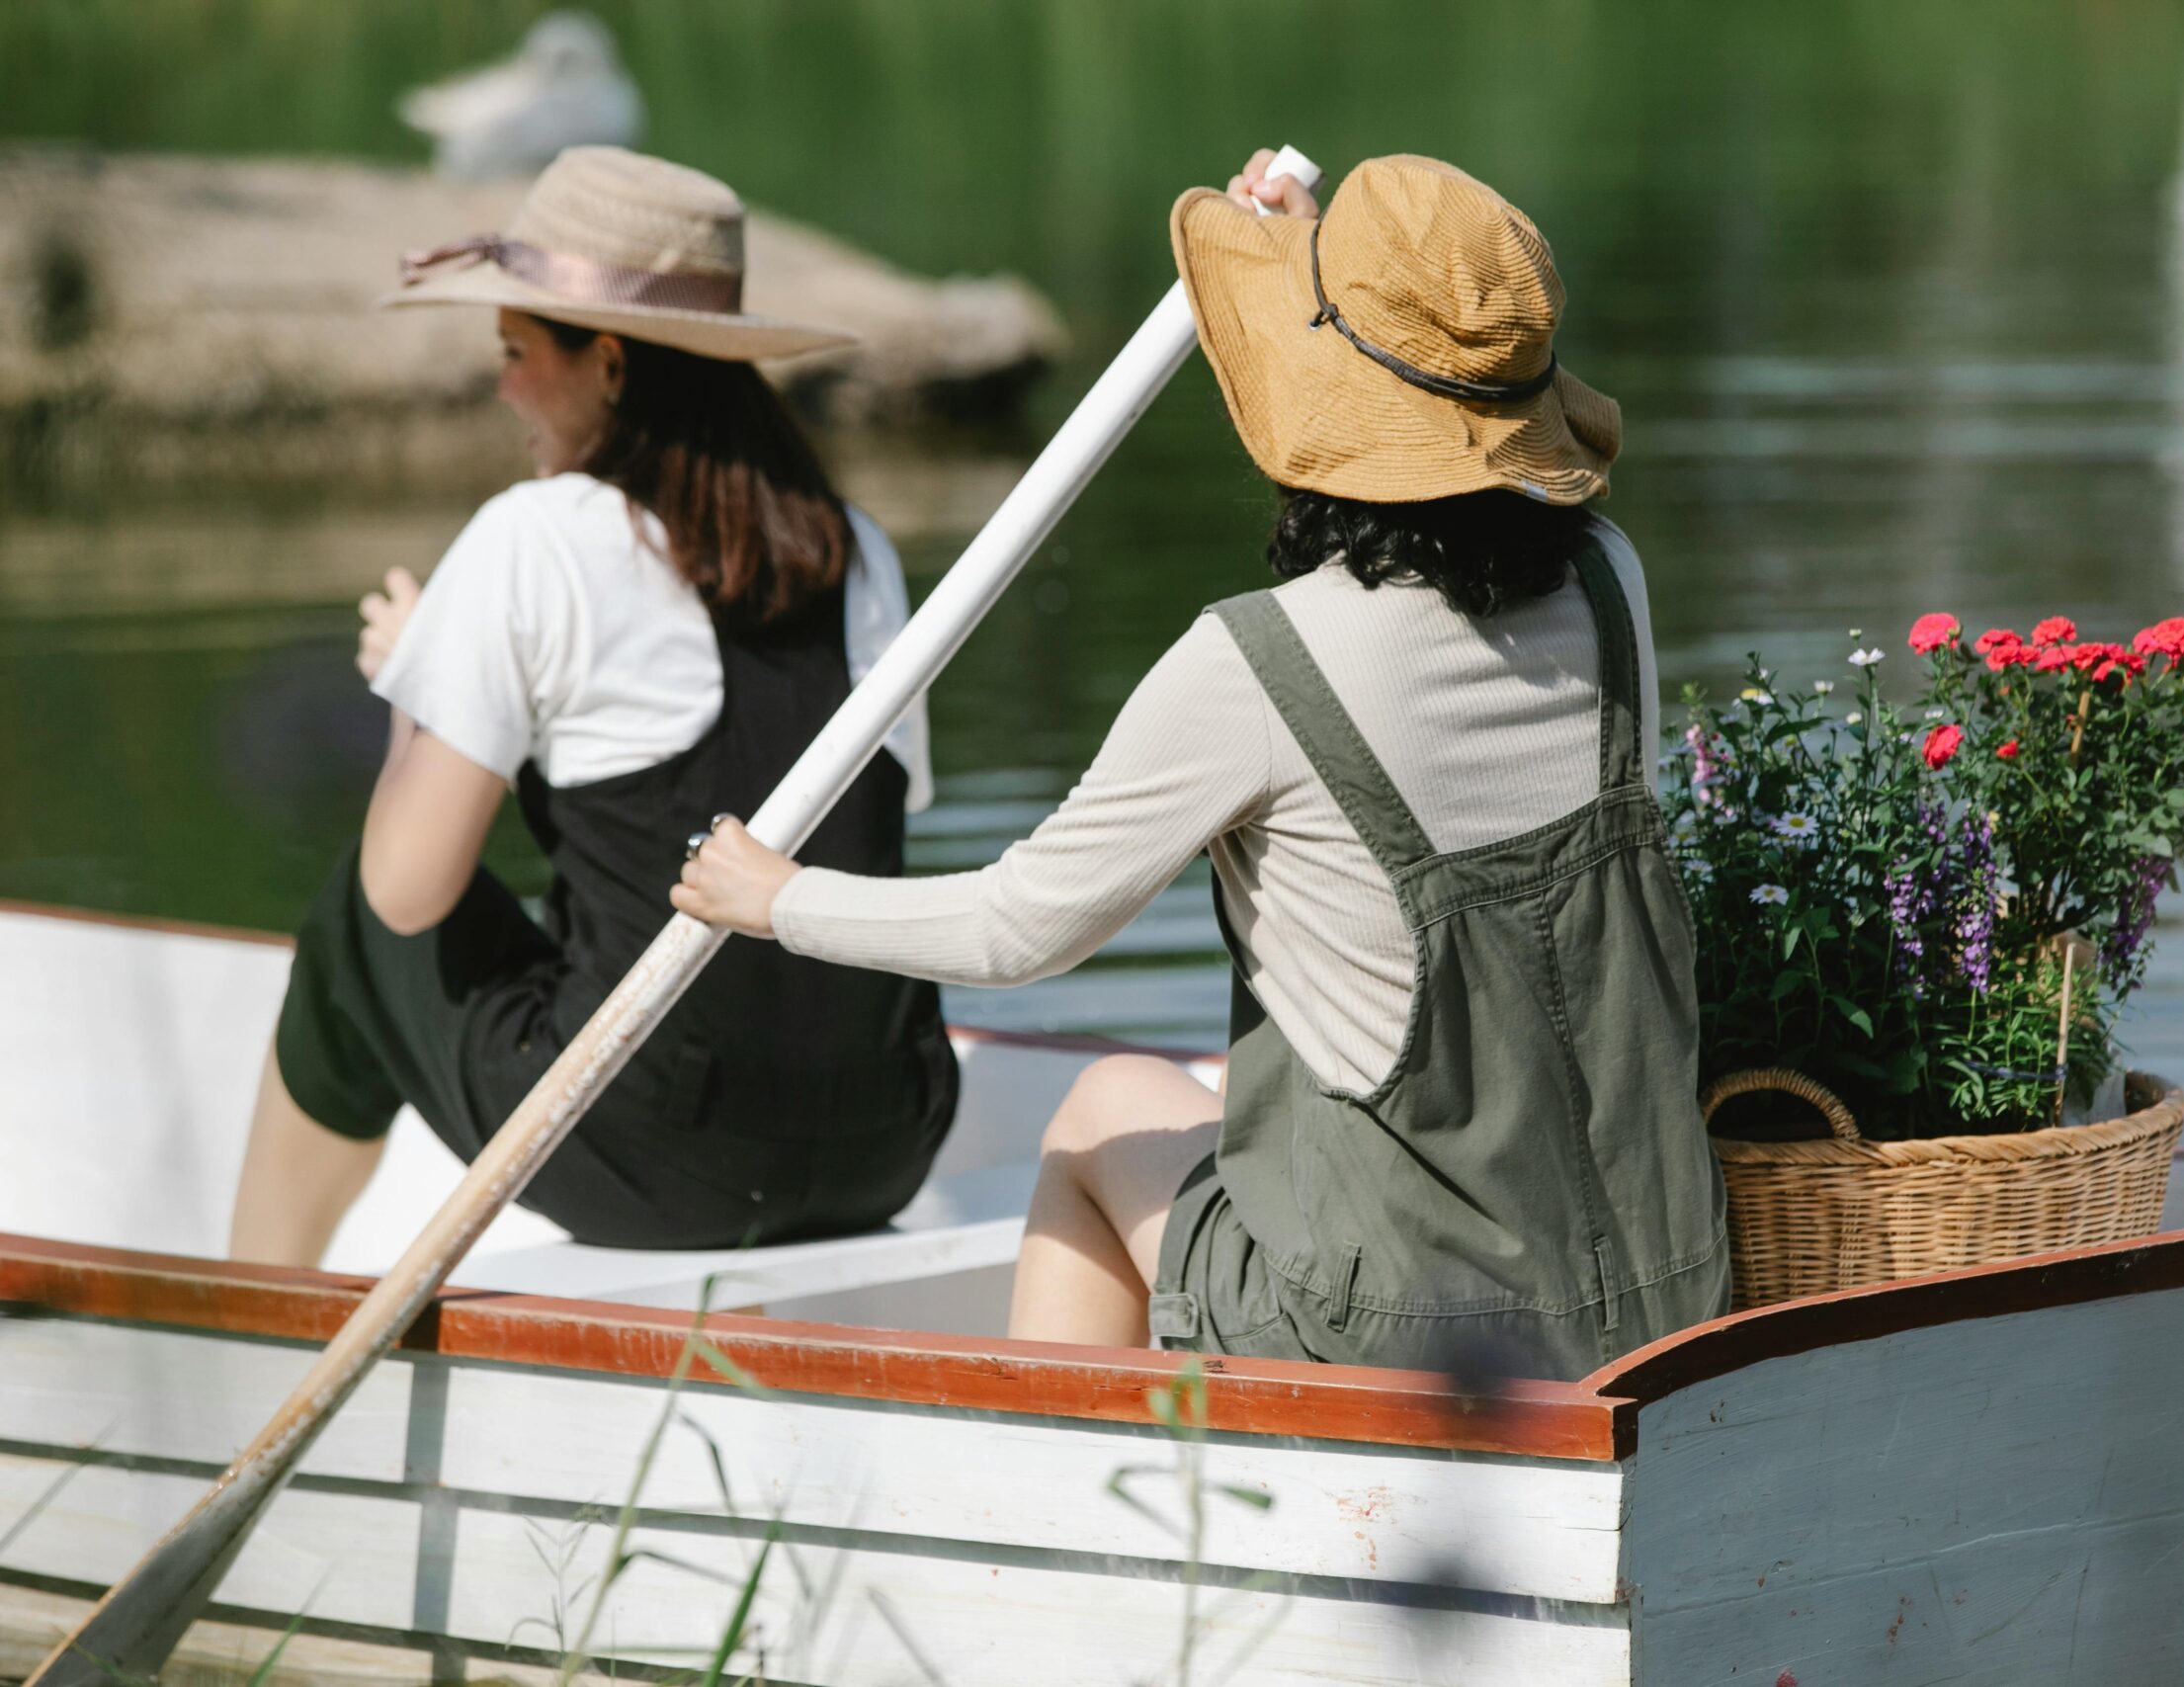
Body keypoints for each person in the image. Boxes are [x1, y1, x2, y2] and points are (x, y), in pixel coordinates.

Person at [676, 152, 1725, 1380]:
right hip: (1662, 1284)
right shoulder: (1612, 582)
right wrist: (1318, 256)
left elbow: (1025, 929)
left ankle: (1066, 1512)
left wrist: (778, 899)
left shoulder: (1256, 664)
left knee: (1099, 1113)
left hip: (1406, 1326)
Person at [228, 146, 956, 1266]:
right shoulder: (856, 548)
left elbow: (406, 892)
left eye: (518, 352)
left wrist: (417, 686)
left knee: (350, 928)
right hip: (891, 1136)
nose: (505, 386)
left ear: (608, 363)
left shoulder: (537, 536)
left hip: (668, 1158)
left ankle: (252, 1290)